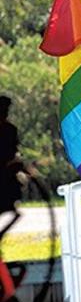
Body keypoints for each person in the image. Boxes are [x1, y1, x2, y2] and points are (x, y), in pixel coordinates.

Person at [0, 96, 22, 238]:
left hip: (6, 179)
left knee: (14, 213)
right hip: (4, 178)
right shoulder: (9, 130)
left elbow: (13, 153)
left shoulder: (10, 129)